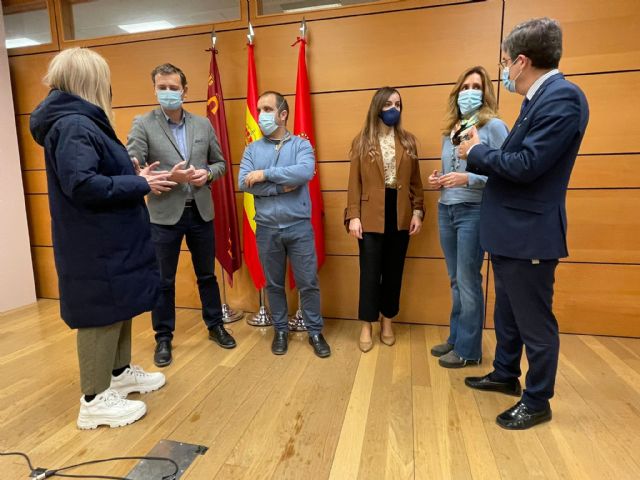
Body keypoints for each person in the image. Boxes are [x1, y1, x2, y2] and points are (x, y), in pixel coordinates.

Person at [458, 18, 589, 429]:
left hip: (529, 233)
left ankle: (537, 400)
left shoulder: (562, 97)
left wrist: (476, 153)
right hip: (510, 231)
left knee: (534, 321)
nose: (503, 70)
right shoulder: (538, 99)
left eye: (503, 63)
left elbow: (527, 165)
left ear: (521, 61)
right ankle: (505, 373)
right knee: (508, 312)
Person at [30, 48, 171, 429]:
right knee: (100, 314)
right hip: (95, 243)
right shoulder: (74, 124)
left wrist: (132, 173)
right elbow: (82, 184)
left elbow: (96, 173)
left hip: (110, 237)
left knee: (120, 305)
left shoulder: (83, 122)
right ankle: (94, 400)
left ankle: (119, 374)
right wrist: (139, 183)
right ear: (90, 81)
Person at [127, 63, 236, 368]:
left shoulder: (203, 125)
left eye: (173, 88)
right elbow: (132, 166)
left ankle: (215, 325)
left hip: (201, 211)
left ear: (184, 90)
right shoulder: (143, 123)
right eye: (162, 87)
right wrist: (169, 177)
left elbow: (220, 163)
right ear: (154, 89)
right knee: (163, 279)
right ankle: (163, 337)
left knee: (207, 275)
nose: (168, 92)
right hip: (163, 215)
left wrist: (207, 174)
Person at [238, 91, 331, 358]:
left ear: (283, 114)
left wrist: (265, 174)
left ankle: (315, 331)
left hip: (298, 227)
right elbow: (243, 182)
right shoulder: (252, 149)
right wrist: (279, 188)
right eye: (259, 110)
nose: (261, 115)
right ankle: (280, 330)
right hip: (267, 228)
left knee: (308, 282)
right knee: (274, 284)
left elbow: (304, 172)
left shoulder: (301, 145)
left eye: (267, 109)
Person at [429, 67, 509, 368]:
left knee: (468, 280)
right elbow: (453, 169)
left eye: (476, 87)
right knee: (455, 280)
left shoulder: (494, 126)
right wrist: (439, 179)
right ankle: (456, 338)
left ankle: (469, 350)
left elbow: (506, 171)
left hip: (473, 212)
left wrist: (469, 179)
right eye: (464, 87)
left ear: (485, 92)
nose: (469, 92)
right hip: (446, 209)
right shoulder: (450, 131)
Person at [345, 87, 424, 353]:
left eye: (398, 104)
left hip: (400, 213)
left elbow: (416, 183)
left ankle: (387, 321)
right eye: (388, 104)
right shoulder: (362, 141)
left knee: (393, 271)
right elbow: (354, 183)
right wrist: (353, 216)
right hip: (369, 215)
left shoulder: (408, 141)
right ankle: (367, 324)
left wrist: (417, 211)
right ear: (377, 107)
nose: (393, 109)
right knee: (369, 273)